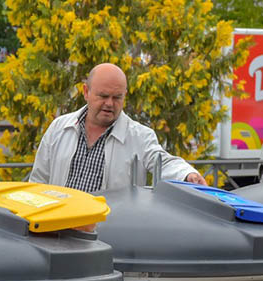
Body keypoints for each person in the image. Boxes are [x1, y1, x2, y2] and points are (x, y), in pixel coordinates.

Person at [31, 63, 206, 192]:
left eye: (117, 97)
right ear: (86, 92)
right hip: (59, 228)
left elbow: (164, 161)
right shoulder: (59, 127)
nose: (109, 103)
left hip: (107, 234)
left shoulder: (140, 136)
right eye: (103, 96)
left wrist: (187, 175)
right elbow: (38, 181)